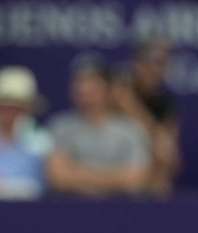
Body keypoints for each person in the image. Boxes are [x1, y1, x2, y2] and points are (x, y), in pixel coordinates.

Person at [46, 57, 150, 196]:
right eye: (79, 82)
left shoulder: (130, 130)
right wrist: (115, 176)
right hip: (70, 210)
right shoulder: (60, 127)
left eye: (92, 82)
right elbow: (59, 176)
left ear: (108, 88)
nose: (84, 88)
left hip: (119, 211)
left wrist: (78, 173)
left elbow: (136, 178)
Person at [112, 37, 180, 195]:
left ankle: (155, 211)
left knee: (163, 158)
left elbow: (169, 152)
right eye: (148, 63)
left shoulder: (165, 104)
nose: (154, 70)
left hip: (143, 166)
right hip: (112, 159)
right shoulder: (115, 91)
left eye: (161, 64)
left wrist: (130, 106)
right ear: (135, 63)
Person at [0, 66, 51, 200]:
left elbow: (42, 184)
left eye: (15, 108)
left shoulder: (41, 137)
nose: (8, 114)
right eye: (4, 107)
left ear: (27, 108)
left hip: (29, 212)